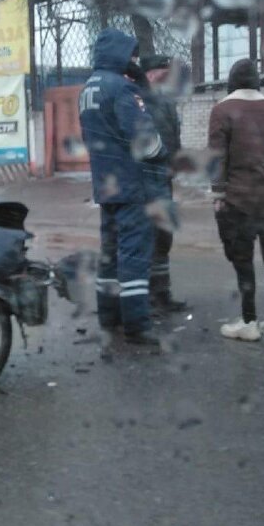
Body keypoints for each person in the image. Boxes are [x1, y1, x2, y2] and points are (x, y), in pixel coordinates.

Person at [78, 28, 167, 346]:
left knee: (110, 254)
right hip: (131, 185)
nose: (134, 60)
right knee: (133, 255)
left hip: (105, 185)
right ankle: (137, 324)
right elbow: (146, 141)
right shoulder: (122, 90)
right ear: (120, 55)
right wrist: (161, 152)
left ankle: (108, 315)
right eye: (131, 55)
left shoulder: (88, 89)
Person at [207, 58, 264, 342]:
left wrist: (218, 193)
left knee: (243, 261)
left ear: (231, 82)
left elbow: (217, 157)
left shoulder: (222, 110)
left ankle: (249, 320)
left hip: (238, 200)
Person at [138, 54, 188, 315]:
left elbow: (173, 136)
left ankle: (162, 293)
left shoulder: (166, 99)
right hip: (146, 182)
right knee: (148, 238)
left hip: (163, 179)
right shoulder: (139, 100)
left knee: (164, 237)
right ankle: (144, 297)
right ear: (149, 73)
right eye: (162, 70)